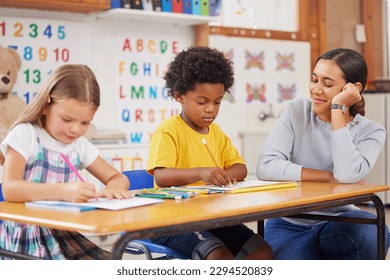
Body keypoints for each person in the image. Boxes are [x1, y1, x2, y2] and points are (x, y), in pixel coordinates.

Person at [257, 48, 390, 259]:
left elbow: (346, 174)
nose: (316, 90)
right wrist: (328, 176)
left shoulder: (371, 131)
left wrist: (338, 109)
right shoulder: (297, 110)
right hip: (289, 222)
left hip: (341, 220)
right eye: (314, 80)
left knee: (373, 232)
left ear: (353, 90)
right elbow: (266, 166)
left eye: (327, 84)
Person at [147, 45, 273, 260]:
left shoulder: (216, 132)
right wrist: (202, 173)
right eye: (202, 102)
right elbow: (161, 176)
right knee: (218, 256)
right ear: (179, 96)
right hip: (172, 220)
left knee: (262, 251)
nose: (210, 109)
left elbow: (240, 168)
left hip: (211, 216)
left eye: (217, 102)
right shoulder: (168, 130)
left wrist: (226, 175)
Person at [0, 64, 131, 260]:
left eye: (85, 123)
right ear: (46, 105)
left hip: (63, 232)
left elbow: (117, 177)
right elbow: (10, 189)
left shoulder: (79, 145)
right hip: (26, 236)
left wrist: (113, 187)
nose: (75, 130)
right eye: (67, 119)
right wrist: (63, 191)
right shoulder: (25, 134)